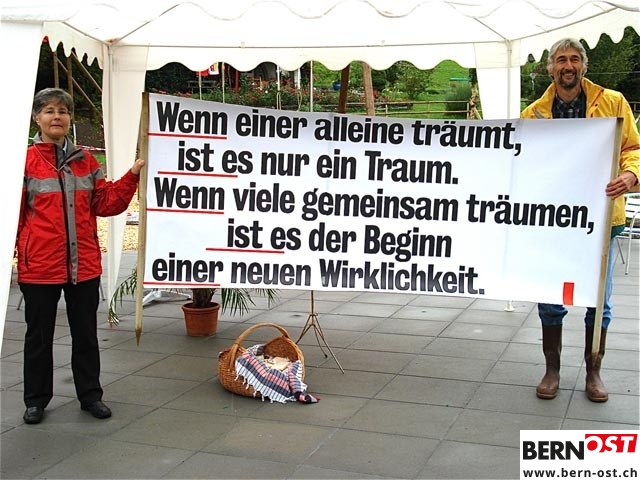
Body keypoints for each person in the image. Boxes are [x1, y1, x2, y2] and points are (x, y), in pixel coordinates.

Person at [16, 88, 145, 424]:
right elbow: (12, 216)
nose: (56, 116)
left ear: (69, 118)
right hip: (39, 266)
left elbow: (106, 203)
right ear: (37, 118)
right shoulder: (22, 160)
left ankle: (90, 396)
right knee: (38, 337)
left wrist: (132, 175)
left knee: (86, 335)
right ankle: (35, 400)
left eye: (62, 111)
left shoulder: (85, 160)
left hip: (83, 265)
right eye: (49, 111)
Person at [521, 38, 640, 402]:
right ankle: (552, 369)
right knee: (549, 296)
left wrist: (631, 175)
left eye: (574, 59)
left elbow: (633, 148)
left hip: (601, 219)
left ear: (584, 66)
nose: (568, 66)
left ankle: (593, 371)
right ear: (550, 68)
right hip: (552, 222)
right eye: (561, 60)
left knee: (598, 300)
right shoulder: (533, 115)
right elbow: (521, 162)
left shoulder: (613, 102)